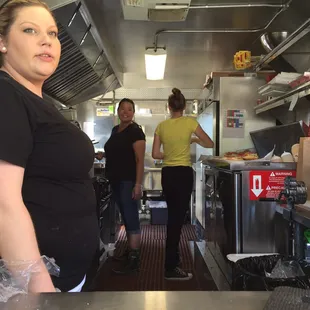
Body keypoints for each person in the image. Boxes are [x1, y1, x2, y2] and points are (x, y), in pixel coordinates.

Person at [0, 0, 99, 292]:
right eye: (30, 30)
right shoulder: (6, 95)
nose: (46, 40)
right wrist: (39, 287)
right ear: (2, 42)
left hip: (64, 277)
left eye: (53, 33)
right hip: (39, 287)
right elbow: (3, 202)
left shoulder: (36, 102)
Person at [152, 88, 214, 280]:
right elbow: (210, 143)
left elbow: (155, 154)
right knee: (177, 220)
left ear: (169, 107)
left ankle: (173, 260)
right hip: (183, 174)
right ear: (184, 106)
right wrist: (193, 139)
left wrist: (169, 154)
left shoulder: (161, 126)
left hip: (168, 174)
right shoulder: (190, 123)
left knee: (174, 218)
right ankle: (170, 267)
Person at [104, 98, 146, 274]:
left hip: (128, 181)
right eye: (122, 109)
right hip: (115, 180)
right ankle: (130, 252)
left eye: (129, 109)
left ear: (133, 112)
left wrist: (137, 185)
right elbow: (116, 151)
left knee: (131, 218)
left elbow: (139, 160)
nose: (125, 112)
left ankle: (135, 261)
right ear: (118, 111)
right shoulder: (116, 130)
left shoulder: (136, 132)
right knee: (125, 219)